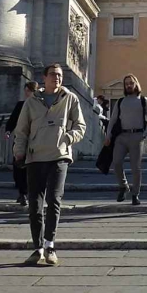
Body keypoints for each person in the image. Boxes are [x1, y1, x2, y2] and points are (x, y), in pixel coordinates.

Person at [11, 63, 87, 267]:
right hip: (35, 157)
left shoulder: (70, 98)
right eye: (53, 74)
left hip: (59, 156)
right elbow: (21, 130)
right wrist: (19, 151)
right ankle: (37, 247)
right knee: (35, 204)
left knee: (54, 200)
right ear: (44, 78)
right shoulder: (31, 102)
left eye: (60, 75)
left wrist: (68, 138)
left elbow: (80, 126)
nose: (57, 78)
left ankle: (50, 245)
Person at [105, 73, 147, 205]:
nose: (128, 85)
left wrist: (145, 134)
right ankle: (124, 186)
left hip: (137, 136)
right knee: (116, 162)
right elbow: (113, 119)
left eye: (131, 83)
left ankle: (135, 194)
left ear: (136, 84)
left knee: (135, 168)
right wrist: (108, 134)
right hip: (121, 137)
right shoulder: (120, 102)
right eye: (126, 84)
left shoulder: (144, 101)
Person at [5, 81, 39, 208]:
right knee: (19, 166)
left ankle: (29, 192)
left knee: (32, 168)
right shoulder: (21, 105)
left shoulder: (40, 106)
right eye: (26, 91)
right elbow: (13, 119)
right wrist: (8, 131)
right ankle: (22, 193)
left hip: (35, 140)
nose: (26, 94)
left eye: (29, 91)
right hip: (20, 139)